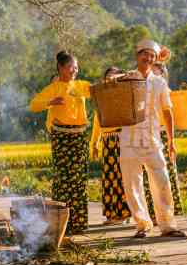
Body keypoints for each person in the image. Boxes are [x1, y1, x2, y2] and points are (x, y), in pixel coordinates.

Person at [118, 39, 185, 239]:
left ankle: (167, 225)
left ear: (155, 59)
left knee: (163, 181)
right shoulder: (127, 78)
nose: (147, 58)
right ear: (137, 55)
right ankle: (142, 225)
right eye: (144, 54)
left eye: (152, 56)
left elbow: (167, 111)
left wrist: (172, 141)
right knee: (132, 184)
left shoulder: (159, 82)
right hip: (129, 139)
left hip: (153, 140)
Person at [29, 50, 92, 234]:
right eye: (71, 66)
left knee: (79, 177)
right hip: (61, 136)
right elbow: (34, 105)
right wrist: (50, 102)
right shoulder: (53, 88)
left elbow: (99, 90)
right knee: (64, 177)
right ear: (61, 68)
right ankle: (62, 222)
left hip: (79, 135)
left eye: (76, 67)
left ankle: (79, 222)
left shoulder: (81, 85)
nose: (74, 70)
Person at [89, 66, 133, 225]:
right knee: (109, 178)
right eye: (108, 77)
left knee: (123, 177)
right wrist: (94, 143)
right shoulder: (101, 98)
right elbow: (96, 122)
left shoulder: (125, 95)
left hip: (123, 138)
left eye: (115, 76)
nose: (112, 79)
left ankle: (125, 214)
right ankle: (111, 215)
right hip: (107, 140)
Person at [143, 58, 184, 220]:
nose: (154, 73)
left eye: (158, 71)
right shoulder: (145, 88)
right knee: (150, 175)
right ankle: (152, 213)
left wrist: (171, 139)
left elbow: (170, 115)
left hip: (163, 134)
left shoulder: (165, 90)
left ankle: (169, 212)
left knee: (167, 173)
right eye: (152, 70)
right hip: (149, 134)